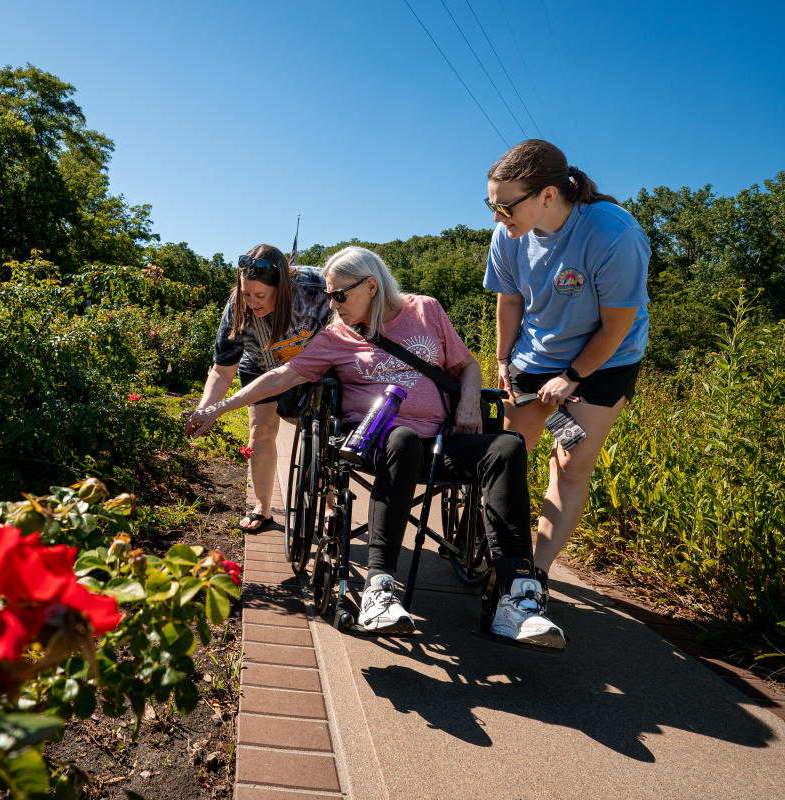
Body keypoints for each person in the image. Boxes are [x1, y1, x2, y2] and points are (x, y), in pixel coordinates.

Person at [187, 246, 565, 648]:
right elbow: (282, 376)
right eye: (328, 296)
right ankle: (379, 589)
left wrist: (469, 401)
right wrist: (217, 407)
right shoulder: (336, 334)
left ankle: (516, 596)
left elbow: (467, 366)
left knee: (508, 445)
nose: (332, 305)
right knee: (403, 438)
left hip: (441, 441)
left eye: (339, 295)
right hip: (380, 442)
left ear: (371, 286)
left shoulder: (426, 309)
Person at [484, 139, 650, 572]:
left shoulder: (614, 235)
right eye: (491, 205)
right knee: (508, 457)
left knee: (570, 464)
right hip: (535, 356)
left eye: (505, 206)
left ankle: (533, 574)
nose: (498, 216)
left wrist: (572, 377)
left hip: (603, 364)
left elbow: (615, 327)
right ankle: (497, 553)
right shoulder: (508, 235)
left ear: (548, 195)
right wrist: (502, 359)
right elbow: (510, 300)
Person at [197, 244, 330, 532]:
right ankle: (262, 507)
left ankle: (330, 504)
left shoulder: (318, 288)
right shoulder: (237, 308)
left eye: (260, 296)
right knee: (260, 430)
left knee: (326, 435)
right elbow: (222, 370)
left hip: (314, 363)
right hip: (261, 365)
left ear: (282, 289)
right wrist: (205, 409)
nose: (251, 303)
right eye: (246, 294)